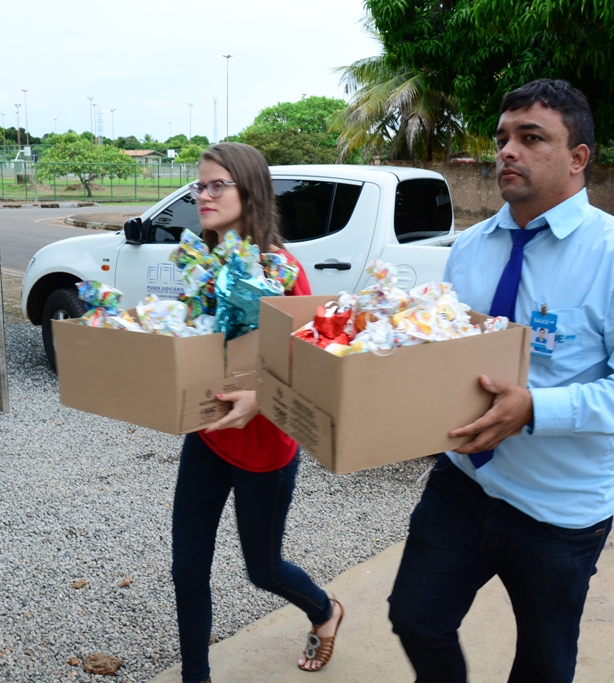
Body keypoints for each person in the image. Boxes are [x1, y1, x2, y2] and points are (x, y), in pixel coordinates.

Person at [388, 79, 614, 682]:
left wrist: (535, 409)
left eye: (531, 138)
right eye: (503, 137)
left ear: (578, 158)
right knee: (416, 618)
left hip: (561, 510)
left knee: (544, 664)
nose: (507, 151)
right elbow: (449, 352)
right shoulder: (469, 249)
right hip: (464, 484)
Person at [170, 142, 344, 683]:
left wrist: (259, 399)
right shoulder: (201, 265)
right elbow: (203, 349)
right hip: (207, 436)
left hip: (266, 450)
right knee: (187, 569)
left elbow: (311, 369)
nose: (204, 195)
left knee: (262, 569)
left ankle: (325, 610)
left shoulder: (283, 271)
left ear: (251, 191)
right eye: (200, 185)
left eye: (218, 184)